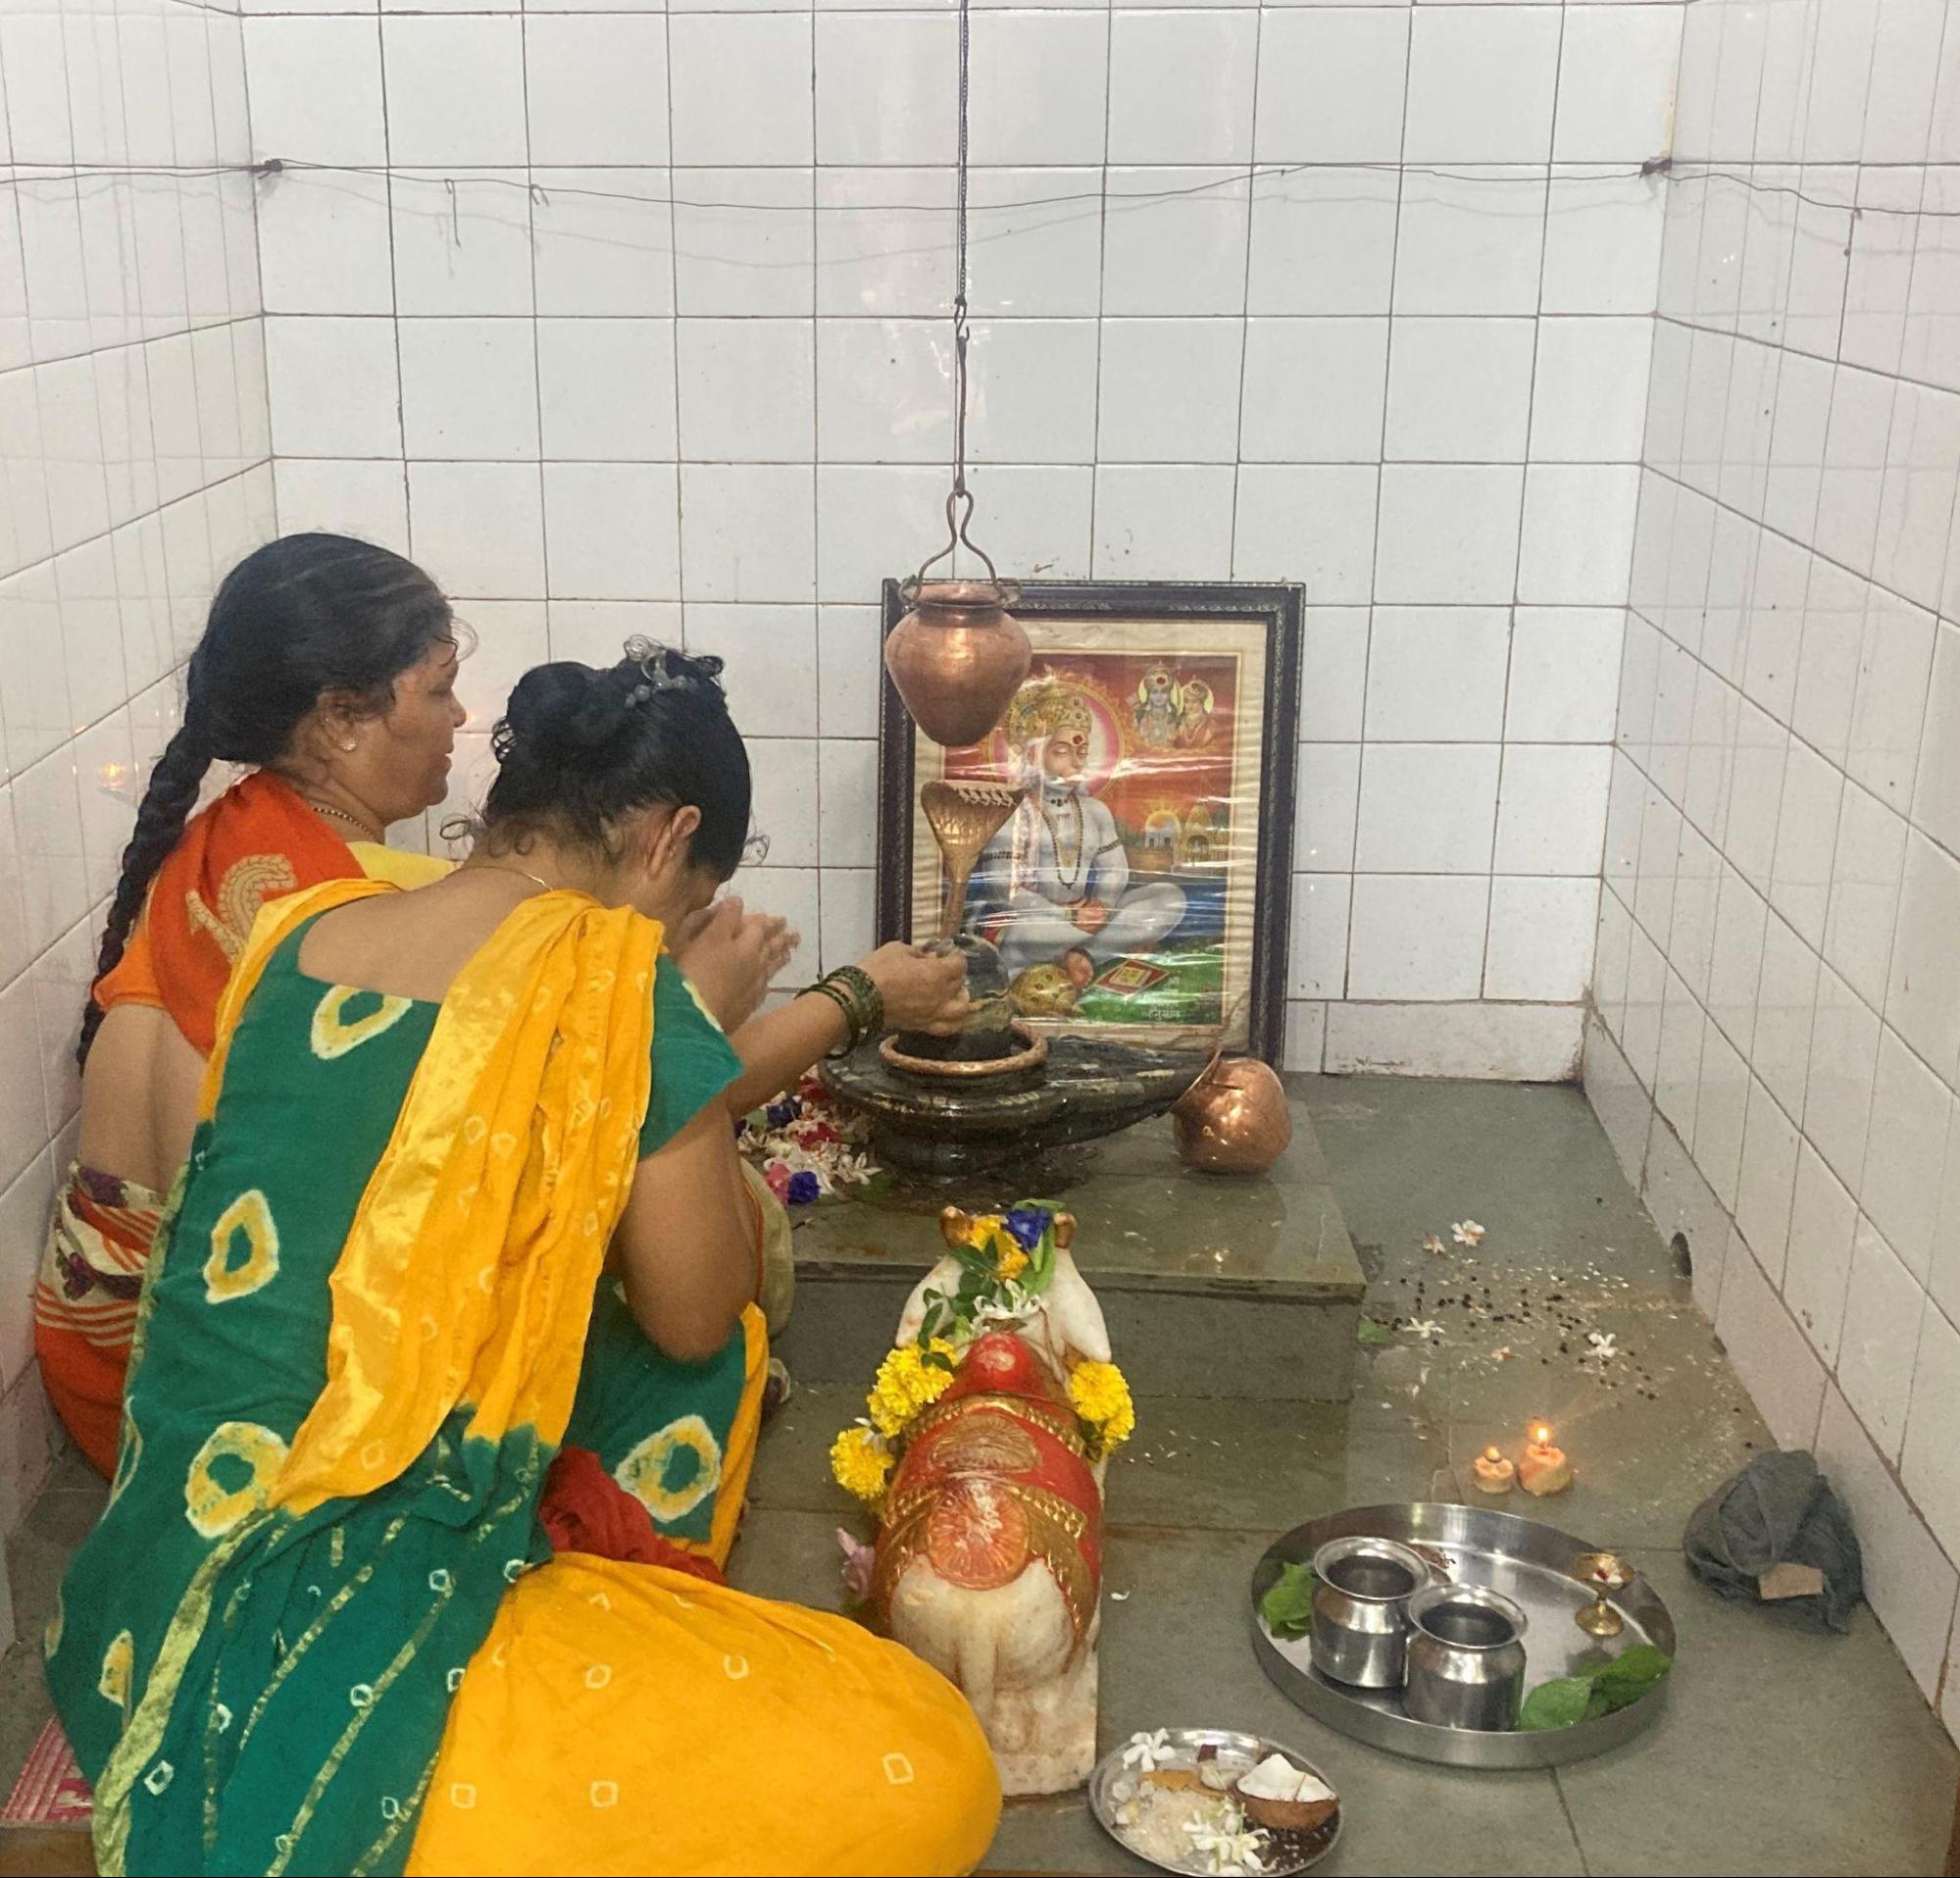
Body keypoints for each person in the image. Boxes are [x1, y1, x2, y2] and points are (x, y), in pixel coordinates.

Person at [45, 643, 999, 1877]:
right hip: (343, 1614)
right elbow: (696, 1313)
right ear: (669, 841)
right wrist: (682, 1033)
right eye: (691, 898)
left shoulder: (297, 931)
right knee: (923, 1764)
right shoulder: (612, 985)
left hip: (144, 1591)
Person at [35, 534, 464, 1476]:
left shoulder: (221, 836)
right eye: (438, 687)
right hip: (212, 1409)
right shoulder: (336, 912)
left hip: (92, 1356)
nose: (459, 716)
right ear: (345, 718)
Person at [978, 686, 1186, 978]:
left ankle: (1082, 955)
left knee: (1169, 897)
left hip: (1088, 917)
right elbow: (1004, 890)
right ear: (1034, 754)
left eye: (1082, 752)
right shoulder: (1012, 811)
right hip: (1036, 922)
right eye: (1062, 752)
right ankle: (1098, 950)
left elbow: (1116, 872)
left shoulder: (1094, 811)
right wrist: (1066, 914)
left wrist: (1101, 909)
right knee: (1032, 932)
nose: (1076, 762)